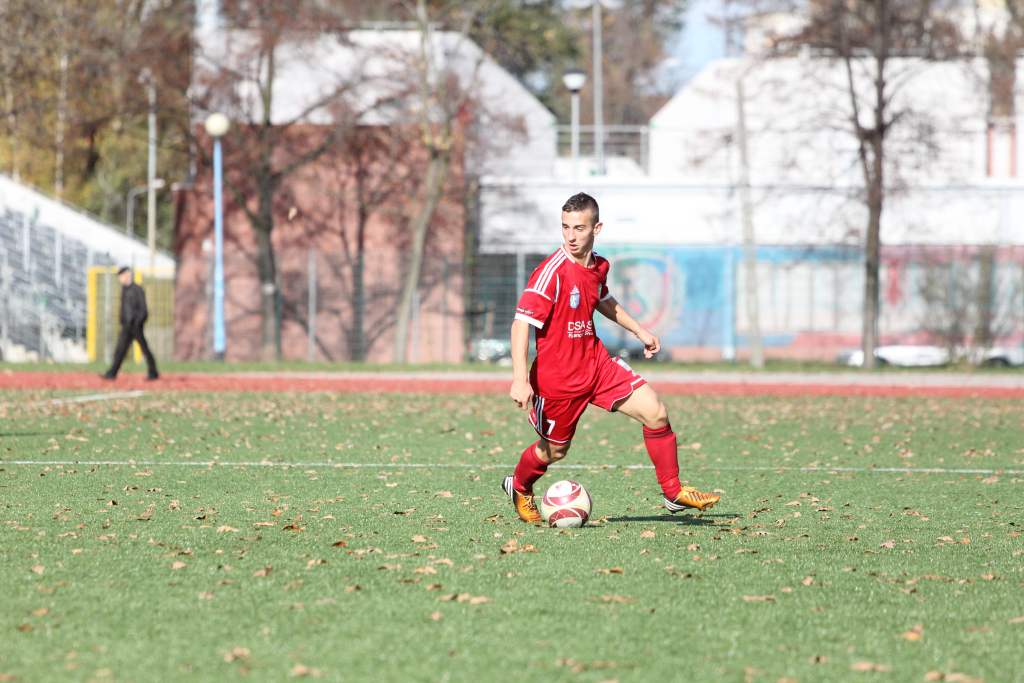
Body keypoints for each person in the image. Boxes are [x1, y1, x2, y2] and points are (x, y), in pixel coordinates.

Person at [501, 193, 720, 523]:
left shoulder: (598, 265)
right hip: (558, 380)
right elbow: (521, 323)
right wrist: (519, 379)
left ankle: (673, 493)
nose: (571, 236)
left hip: (598, 364)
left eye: (579, 228)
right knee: (555, 451)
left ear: (596, 228)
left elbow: (602, 298)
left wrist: (639, 331)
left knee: (656, 413)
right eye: (565, 227)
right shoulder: (551, 272)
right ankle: (519, 485)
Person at [102, 267, 159, 380]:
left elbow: (143, 309)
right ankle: (112, 373)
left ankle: (153, 372)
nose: (120, 279)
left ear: (127, 275)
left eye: (121, 275)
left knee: (144, 349)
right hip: (126, 326)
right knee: (120, 349)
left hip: (135, 326)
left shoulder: (137, 289)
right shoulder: (124, 289)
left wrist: (138, 322)